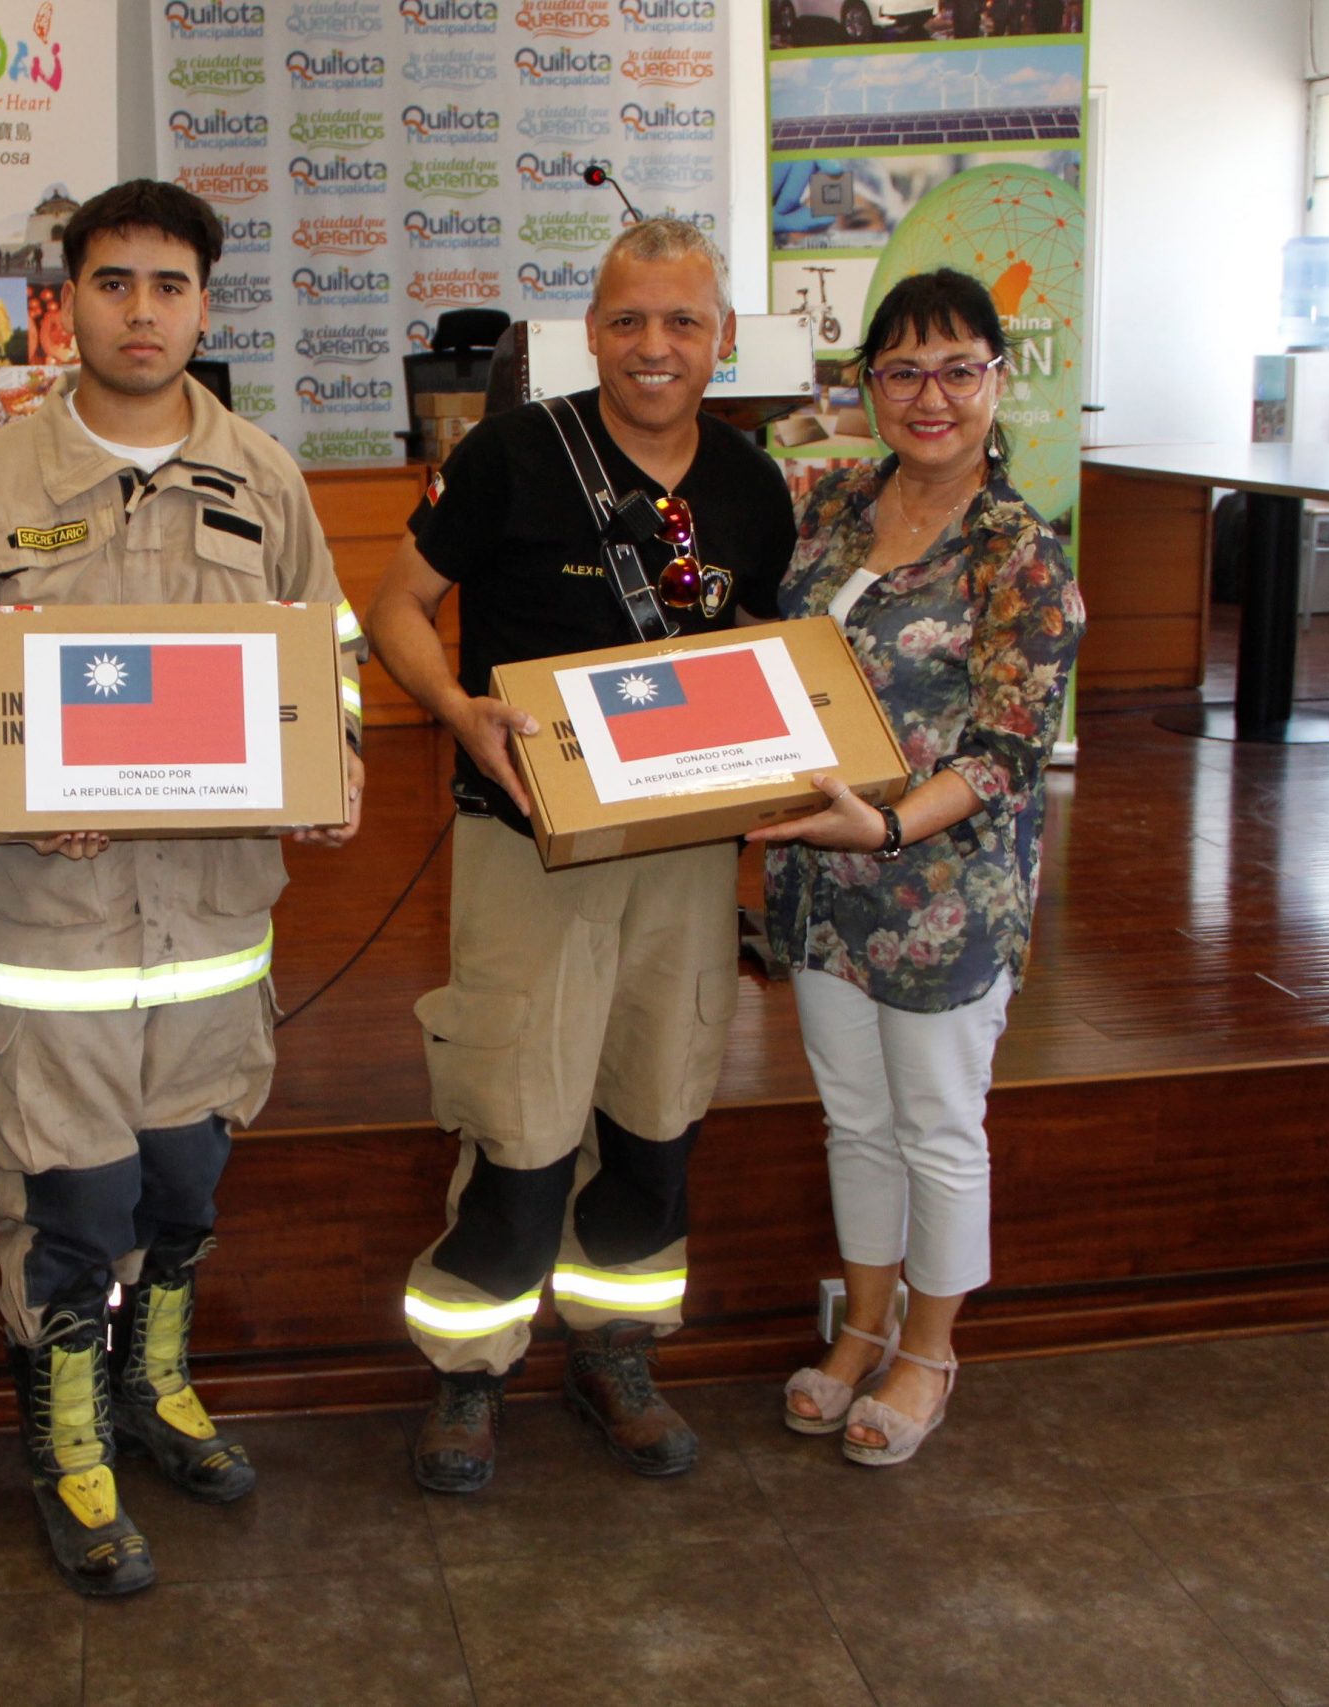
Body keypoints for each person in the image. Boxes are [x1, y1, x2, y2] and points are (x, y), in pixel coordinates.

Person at [0, 179, 366, 1597]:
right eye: (113, 282)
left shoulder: (265, 477)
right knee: (71, 1203)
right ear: (67, 303)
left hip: (214, 926)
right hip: (54, 934)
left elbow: (322, 662)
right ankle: (72, 1445)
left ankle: (158, 1389)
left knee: (182, 1184)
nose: (142, 310)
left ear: (204, 304)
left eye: (169, 284)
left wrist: (335, 762)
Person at [366, 219, 796, 1494]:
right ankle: (468, 1368)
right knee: (519, 1116)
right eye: (626, 321)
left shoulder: (754, 486)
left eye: (681, 322)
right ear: (588, 331)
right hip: (528, 852)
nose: (652, 347)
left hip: (683, 858)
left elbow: (763, 665)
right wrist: (458, 711)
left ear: (721, 337)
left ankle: (617, 1350)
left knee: (658, 1112)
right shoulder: (508, 455)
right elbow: (394, 606)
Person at [755, 268, 1083, 1467]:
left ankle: (930, 1347)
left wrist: (889, 829)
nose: (928, 395)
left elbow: (1008, 751)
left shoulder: (1018, 553)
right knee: (854, 1119)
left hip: (941, 894)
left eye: (958, 368)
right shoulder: (835, 503)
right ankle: (863, 1323)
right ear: (867, 386)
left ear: (999, 381)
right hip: (820, 884)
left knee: (939, 1124)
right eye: (901, 370)